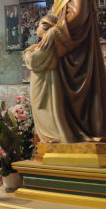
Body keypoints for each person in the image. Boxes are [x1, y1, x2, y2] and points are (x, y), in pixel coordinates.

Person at [39, 0, 106, 142]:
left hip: (78, 51)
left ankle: (83, 133)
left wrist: (53, 31)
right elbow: (61, 15)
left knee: (81, 96)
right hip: (67, 51)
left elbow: (79, 15)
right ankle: (71, 133)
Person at [23, 14, 73, 142]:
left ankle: (52, 137)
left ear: (45, 27)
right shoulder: (45, 43)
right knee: (45, 108)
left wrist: (28, 51)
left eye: (38, 25)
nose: (36, 29)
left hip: (44, 81)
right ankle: (51, 137)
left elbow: (33, 61)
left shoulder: (47, 43)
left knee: (44, 108)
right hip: (44, 78)